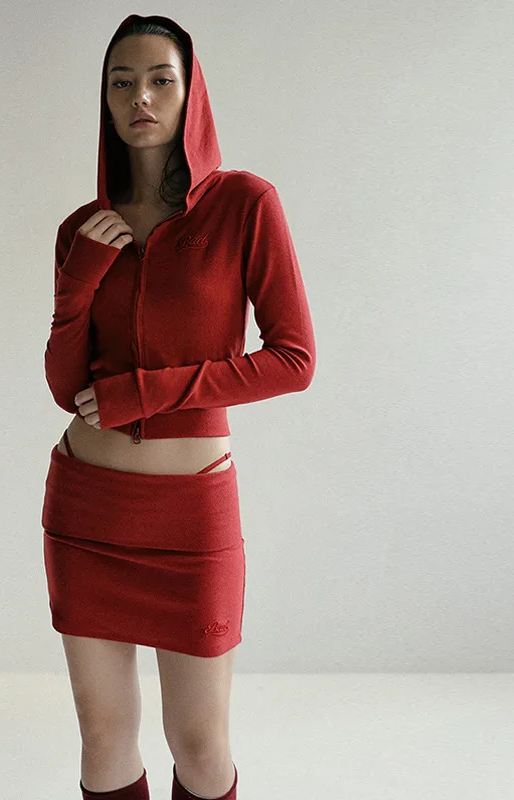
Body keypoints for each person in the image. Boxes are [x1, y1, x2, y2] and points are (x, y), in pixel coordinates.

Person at [41, 13, 316, 800]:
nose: (141, 97)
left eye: (161, 79)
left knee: (199, 745)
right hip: (88, 507)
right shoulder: (82, 229)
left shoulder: (245, 205)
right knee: (103, 738)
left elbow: (293, 359)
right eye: (122, 82)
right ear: (105, 99)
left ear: (192, 93)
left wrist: (148, 392)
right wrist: (77, 284)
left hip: (192, 516)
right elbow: (66, 389)